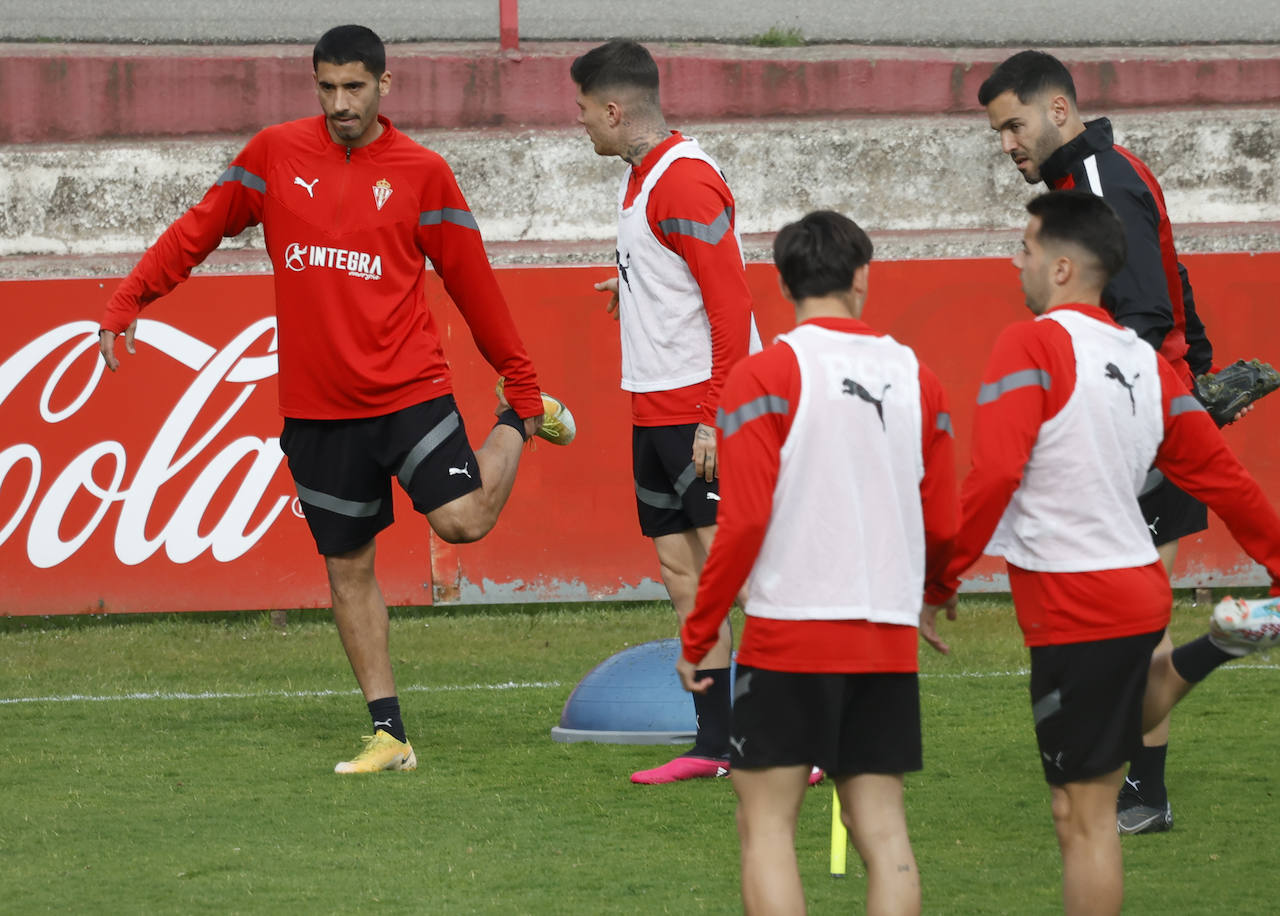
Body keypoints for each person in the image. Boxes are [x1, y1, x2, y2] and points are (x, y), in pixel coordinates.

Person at [97, 24, 573, 774]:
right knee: (348, 567)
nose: (340, 103)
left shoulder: (424, 173)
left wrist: (521, 381)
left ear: (387, 85)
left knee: (464, 520)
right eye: (327, 87)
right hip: (318, 410)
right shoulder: (273, 156)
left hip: (408, 390)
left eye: (355, 87)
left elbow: (473, 284)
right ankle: (389, 734)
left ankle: (521, 423)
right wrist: (129, 299)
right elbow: (197, 231)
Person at [920, 190, 1280, 916]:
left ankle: (1222, 642)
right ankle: (1219, 643)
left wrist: (941, 576)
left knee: (1082, 821)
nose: (1014, 259)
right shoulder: (1145, 362)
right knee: (1130, 708)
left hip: (1071, 600)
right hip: (1136, 591)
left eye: (1024, 245)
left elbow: (994, 473)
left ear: (1059, 267)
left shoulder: (1030, 343)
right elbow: (1226, 479)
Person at [977, 48, 1262, 833]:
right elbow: (1174, 283)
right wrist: (1197, 377)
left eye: (1014, 124)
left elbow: (1144, 314)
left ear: (1059, 110)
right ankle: (1142, 785)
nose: (1007, 144)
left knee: (1128, 625)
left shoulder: (1099, 180)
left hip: (1133, 431)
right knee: (1137, 619)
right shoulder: (1091, 180)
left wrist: (1146, 411)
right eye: (998, 132)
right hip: (1152, 418)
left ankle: (1139, 786)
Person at [677, 210, 958, 915]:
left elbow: (740, 525)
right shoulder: (917, 375)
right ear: (862, 277)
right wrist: (933, 590)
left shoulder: (763, 375)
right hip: (886, 638)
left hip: (790, 636)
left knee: (766, 828)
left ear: (784, 282)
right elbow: (944, 517)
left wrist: (699, 634)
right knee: (884, 829)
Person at [570, 39, 761, 784]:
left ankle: (796, 734)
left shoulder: (683, 182)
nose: (581, 122)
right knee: (684, 575)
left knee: (737, 577)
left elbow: (731, 300)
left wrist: (715, 414)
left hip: (699, 413)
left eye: (584, 110)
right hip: (653, 410)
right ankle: (718, 745)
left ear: (615, 110)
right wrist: (633, 288)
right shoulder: (643, 179)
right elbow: (683, 277)